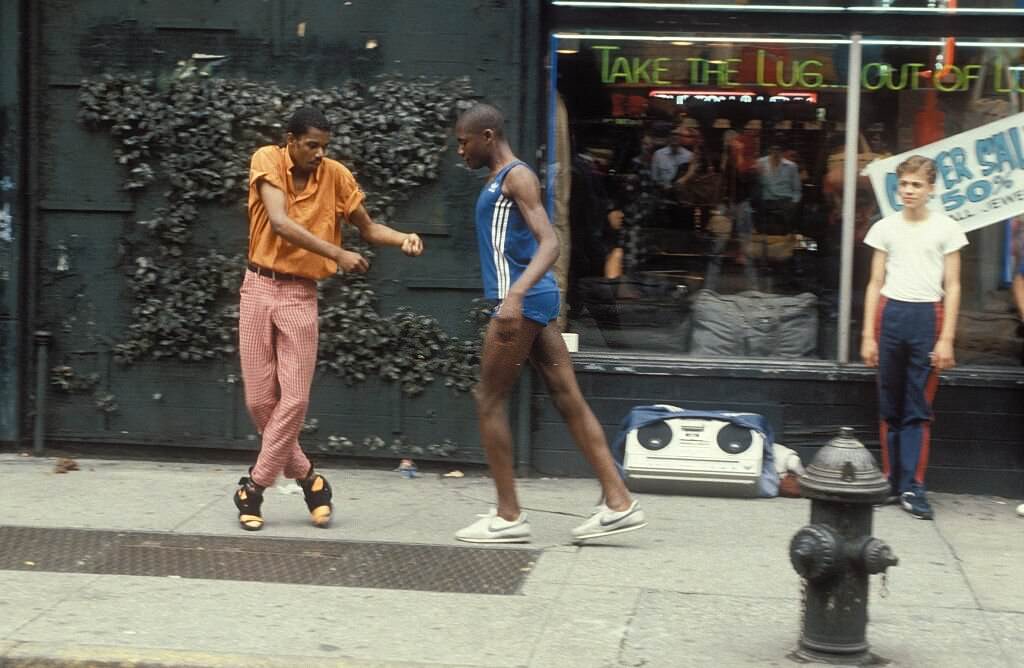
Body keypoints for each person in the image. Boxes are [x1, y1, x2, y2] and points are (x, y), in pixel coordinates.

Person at [453, 103, 647, 543]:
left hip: (519, 305)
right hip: (534, 304)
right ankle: (619, 502)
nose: (460, 151)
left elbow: (551, 242)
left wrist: (515, 296)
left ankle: (508, 517)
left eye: (463, 142)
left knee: (487, 399)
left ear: (487, 136)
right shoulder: (501, 179)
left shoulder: (515, 176)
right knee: (567, 397)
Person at [233, 107, 423, 531]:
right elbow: (280, 223)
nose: (319, 154)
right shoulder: (267, 159)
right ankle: (310, 480)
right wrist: (337, 253)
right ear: (290, 140)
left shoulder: (335, 175)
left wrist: (403, 238)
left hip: (300, 294)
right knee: (259, 401)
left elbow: (369, 229)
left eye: (325, 146)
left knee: (295, 400)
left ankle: (253, 488)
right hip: (258, 288)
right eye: (311, 145)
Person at [860, 155, 967, 521]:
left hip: (927, 315)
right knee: (889, 403)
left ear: (931, 189)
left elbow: (952, 286)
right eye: (904, 184)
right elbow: (874, 282)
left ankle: (913, 485)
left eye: (916, 185)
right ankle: (891, 481)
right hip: (890, 313)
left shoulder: (947, 228)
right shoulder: (885, 228)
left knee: (917, 406)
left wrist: (946, 338)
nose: (908, 191)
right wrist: (867, 336)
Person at [755, 143, 802, 235]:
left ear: (782, 151)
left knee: (783, 233)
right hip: (766, 201)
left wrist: (793, 203)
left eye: (778, 149)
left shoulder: (791, 166)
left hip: (785, 201)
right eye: (773, 149)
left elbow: (797, 188)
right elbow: (757, 183)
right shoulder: (760, 163)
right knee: (765, 234)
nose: (776, 152)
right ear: (770, 150)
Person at [650, 123, 695, 190]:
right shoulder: (658, 154)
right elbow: (655, 178)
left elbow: (692, 180)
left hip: (682, 196)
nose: (675, 137)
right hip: (662, 193)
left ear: (681, 137)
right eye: (672, 135)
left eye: (677, 135)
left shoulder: (690, 156)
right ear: (668, 137)